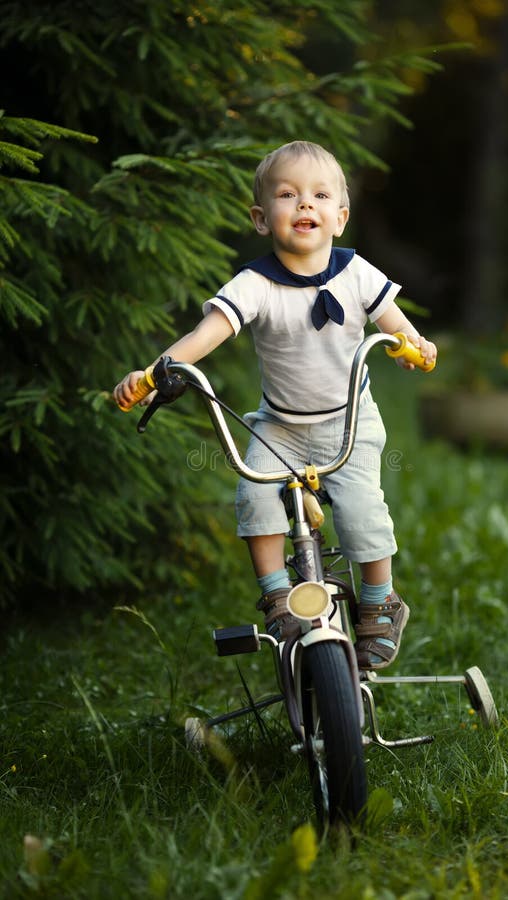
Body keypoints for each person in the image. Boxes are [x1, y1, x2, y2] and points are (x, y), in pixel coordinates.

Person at [113, 140, 437, 669]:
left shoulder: (358, 274)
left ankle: (381, 603)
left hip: (348, 423)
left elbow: (396, 328)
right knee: (255, 498)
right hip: (279, 429)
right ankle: (276, 595)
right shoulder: (256, 284)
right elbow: (204, 334)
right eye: (288, 195)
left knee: (360, 513)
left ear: (340, 216)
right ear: (263, 219)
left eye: (319, 196)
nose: (305, 204)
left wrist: (414, 348)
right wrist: (154, 373)